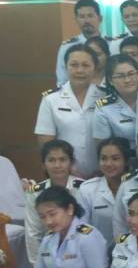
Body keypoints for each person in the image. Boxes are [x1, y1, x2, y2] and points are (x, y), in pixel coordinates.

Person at [37, 43, 106, 179]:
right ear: (66, 67)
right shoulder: (51, 99)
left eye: (86, 65)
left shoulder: (105, 97)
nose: (80, 70)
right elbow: (46, 142)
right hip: (64, 175)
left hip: (102, 174)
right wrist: (68, 170)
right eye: (74, 65)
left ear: (94, 68)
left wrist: (102, 171)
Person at [24, 140, 85, 262]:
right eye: (51, 160)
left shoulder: (84, 188)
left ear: (71, 163)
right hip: (49, 253)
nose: (57, 165)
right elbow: (33, 233)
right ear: (43, 165)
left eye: (62, 160)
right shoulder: (35, 192)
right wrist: (37, 264)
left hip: (82, 251)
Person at [77, 137, 132, 245]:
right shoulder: (87, 189)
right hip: (98, 250)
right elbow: (81, 226)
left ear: (126, 161)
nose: (108, 164)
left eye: (115, 159)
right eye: (103, 158)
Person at [93, 55, 138, 154]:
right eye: (120, 76)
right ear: (110, 80)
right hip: (124, 159)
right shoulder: (104, 108)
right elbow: (103, 148)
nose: (127, 80)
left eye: (131, 74)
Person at [54, 0, 108, 86]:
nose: (86, 21)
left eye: (90, 16)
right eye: (82, 17)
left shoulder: (111, 44)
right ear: (76, 19)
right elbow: (62, 81)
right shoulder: (67, 47)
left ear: (100, 18)